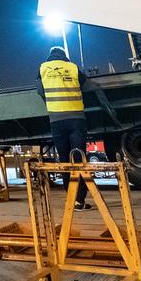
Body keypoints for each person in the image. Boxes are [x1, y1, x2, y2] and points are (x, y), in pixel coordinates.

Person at [38, 45, 89, 208]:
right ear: (64, 55)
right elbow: (85, 83)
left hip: (56, 121)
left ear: (50, 55)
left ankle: (71, 197)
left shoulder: (43, 68)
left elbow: (40, 90)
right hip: (76, 119)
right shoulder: (72, 67)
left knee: (64, 159)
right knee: (79, 159)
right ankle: (80, 200)